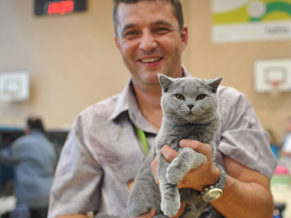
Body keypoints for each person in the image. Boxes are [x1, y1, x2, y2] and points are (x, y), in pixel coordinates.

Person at [48, 0, 277, 217]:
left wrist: (210, 179)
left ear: (183, 36)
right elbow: (65, 213)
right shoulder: (90, 125)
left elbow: (262, 212)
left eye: (160, 29)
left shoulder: (230, 106)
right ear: (119, 44)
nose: (147, 44)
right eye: (132, 33)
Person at [0, 116, 57, 218]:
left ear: (29, 127)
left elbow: (5, 158)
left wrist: (6, 144)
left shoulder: (22, 143)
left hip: (29, 197)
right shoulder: (49, 145)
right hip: (47, 196)